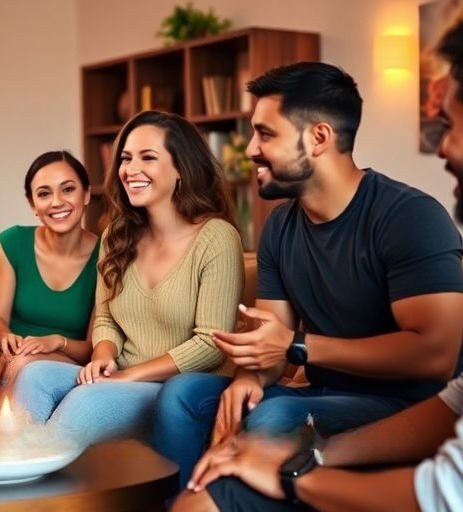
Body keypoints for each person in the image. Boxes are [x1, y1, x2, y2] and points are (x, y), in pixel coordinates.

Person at [172, 20, 463, 512]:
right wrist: (249, 377)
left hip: (406, 402)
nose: (250, 150)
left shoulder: (410, 217)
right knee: (185, 396)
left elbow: (434, 355)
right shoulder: (281, 227)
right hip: (327, 389)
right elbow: (274, 344)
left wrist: (298, 347)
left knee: (275, 417)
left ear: (319, 137)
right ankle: (196, 495)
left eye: (265, 133)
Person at [12, 110, 244, 446]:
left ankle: (38, 492)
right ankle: (19, 483)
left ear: (181, 168)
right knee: (34, 375)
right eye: (125, 158)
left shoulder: (217, 237)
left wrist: (127, 376)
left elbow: (210, 343)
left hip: (179, 387)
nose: (129, 170)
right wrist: (103, 356)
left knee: (86, 402)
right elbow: (106, 318)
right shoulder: (116, 236)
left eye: (147, 157)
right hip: (122, 374)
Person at [0, 151, 98, 422]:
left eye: (68, 189)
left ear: (86, 194)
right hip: (9, 348)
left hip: (64, 356)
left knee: (25, 370)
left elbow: (92, 347)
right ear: (33, 204)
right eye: (44, 194)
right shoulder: (11, 242)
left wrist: (55, 342)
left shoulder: (107, 256)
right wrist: (4, 338)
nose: (57, 202)